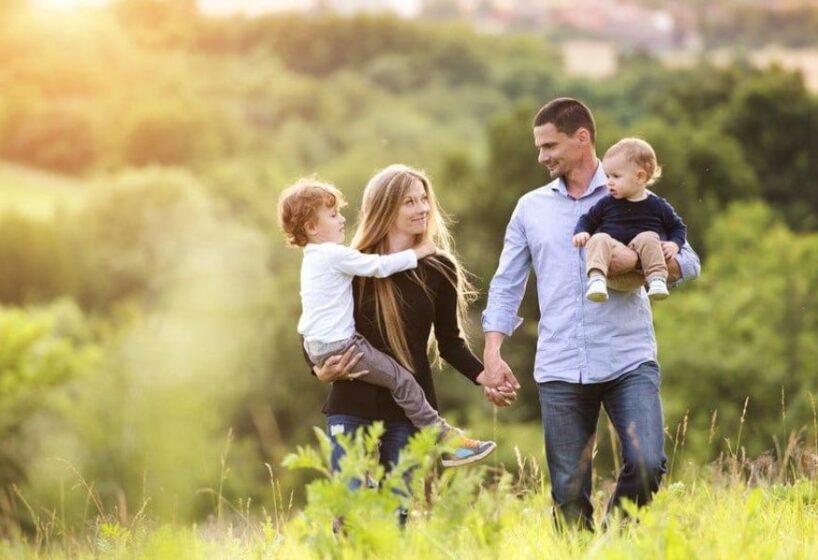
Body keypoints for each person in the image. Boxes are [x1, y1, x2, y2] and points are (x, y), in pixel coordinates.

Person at [480, 98, 701, 529]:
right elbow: (507, 282)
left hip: (628, 357)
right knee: (567, 491)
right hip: (561, 364)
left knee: (646, 462)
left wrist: (656, 263)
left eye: (549, 146)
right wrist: (492, 352)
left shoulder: (637, 193)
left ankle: (612, 545)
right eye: (539, 147)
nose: (541, 156)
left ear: (582, 139)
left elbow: (690, 260)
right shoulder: (531, 208)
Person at [277, 177, 495, 467]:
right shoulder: (353, 263)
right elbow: (316, 320)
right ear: (385, 208)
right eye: (410, 201)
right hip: (352, 405)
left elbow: (450, 342)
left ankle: (447, 440)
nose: (422, 208)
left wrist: (486, 376)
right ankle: (446, 439)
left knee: (397, 509)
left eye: (423, 198)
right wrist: (319, 370)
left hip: (405, 414)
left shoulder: (438, 268)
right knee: (350, 504)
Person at [572, 137, 687, 302]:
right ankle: (596, 279)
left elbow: (678, 227)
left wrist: (674, 244)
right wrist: (581, 232)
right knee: (599, 238)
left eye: (616, 176)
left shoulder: (657, 205)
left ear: (640, 177)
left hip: (640, 274)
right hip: (612, 269)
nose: (609, 182)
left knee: (648, 237)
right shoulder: (607, 203)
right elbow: (587, 219)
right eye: (607, 176)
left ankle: (657, 280)